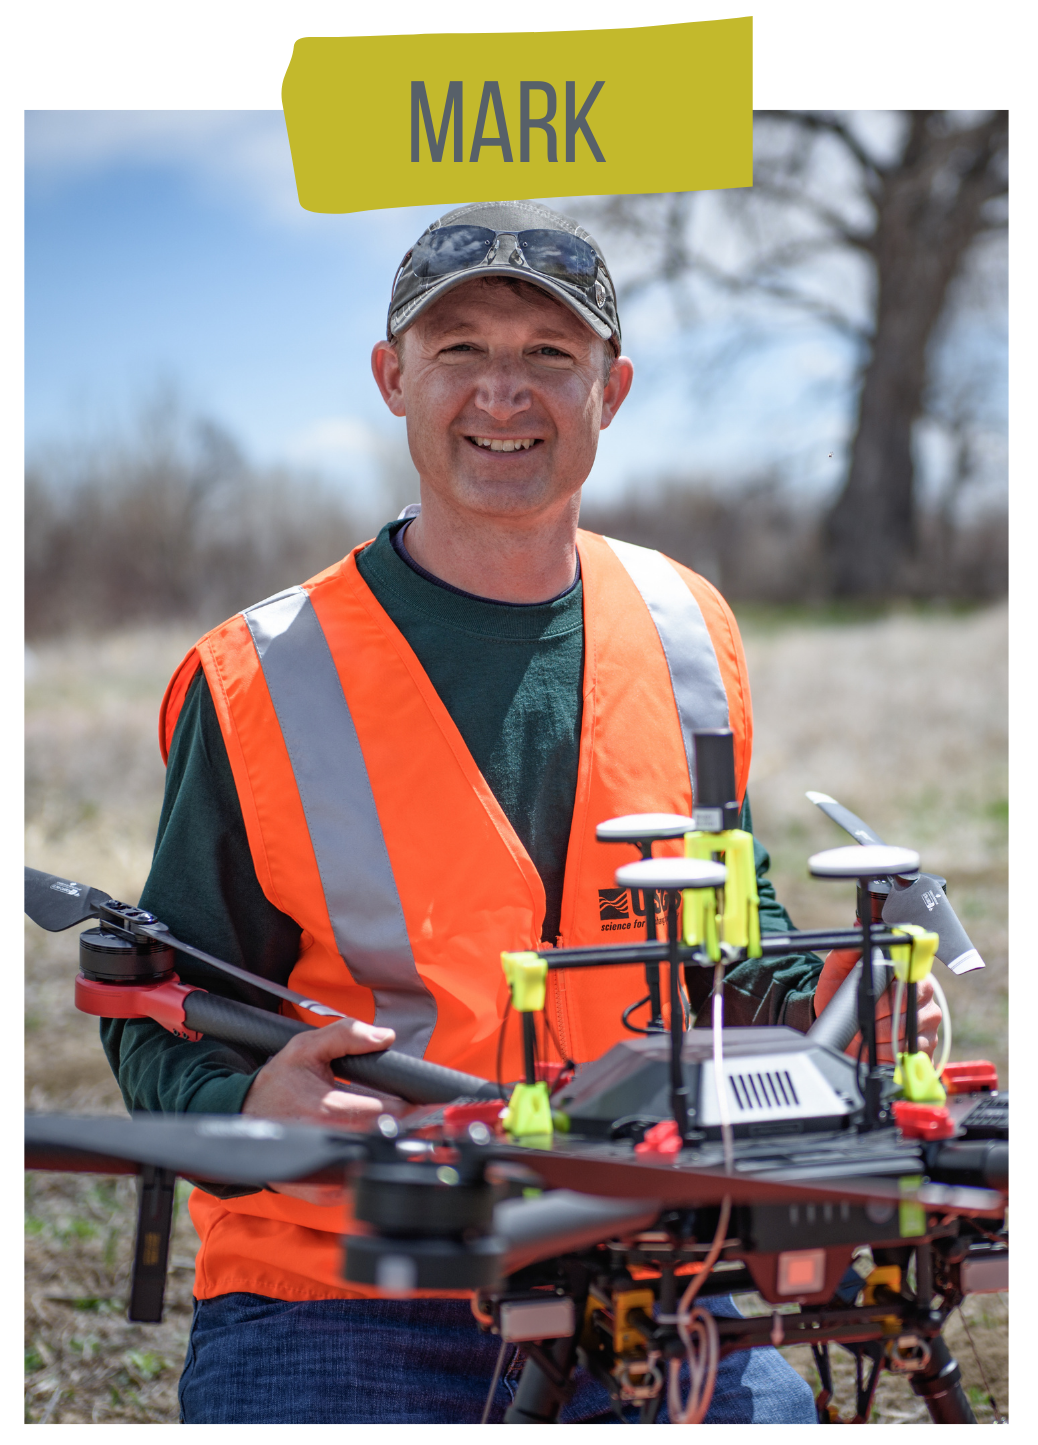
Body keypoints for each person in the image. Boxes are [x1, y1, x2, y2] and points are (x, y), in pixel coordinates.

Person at [101, 201, 938, 1424]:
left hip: (660, 1263)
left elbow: (735, 933)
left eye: (551, 354)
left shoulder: (686, 627)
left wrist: (840, 1005)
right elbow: (143, 998)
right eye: (461, 352)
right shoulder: (262, 672)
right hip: (346, 1280)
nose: (506, 394)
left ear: (615, 386)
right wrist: (241, 1104)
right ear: (393, 378)